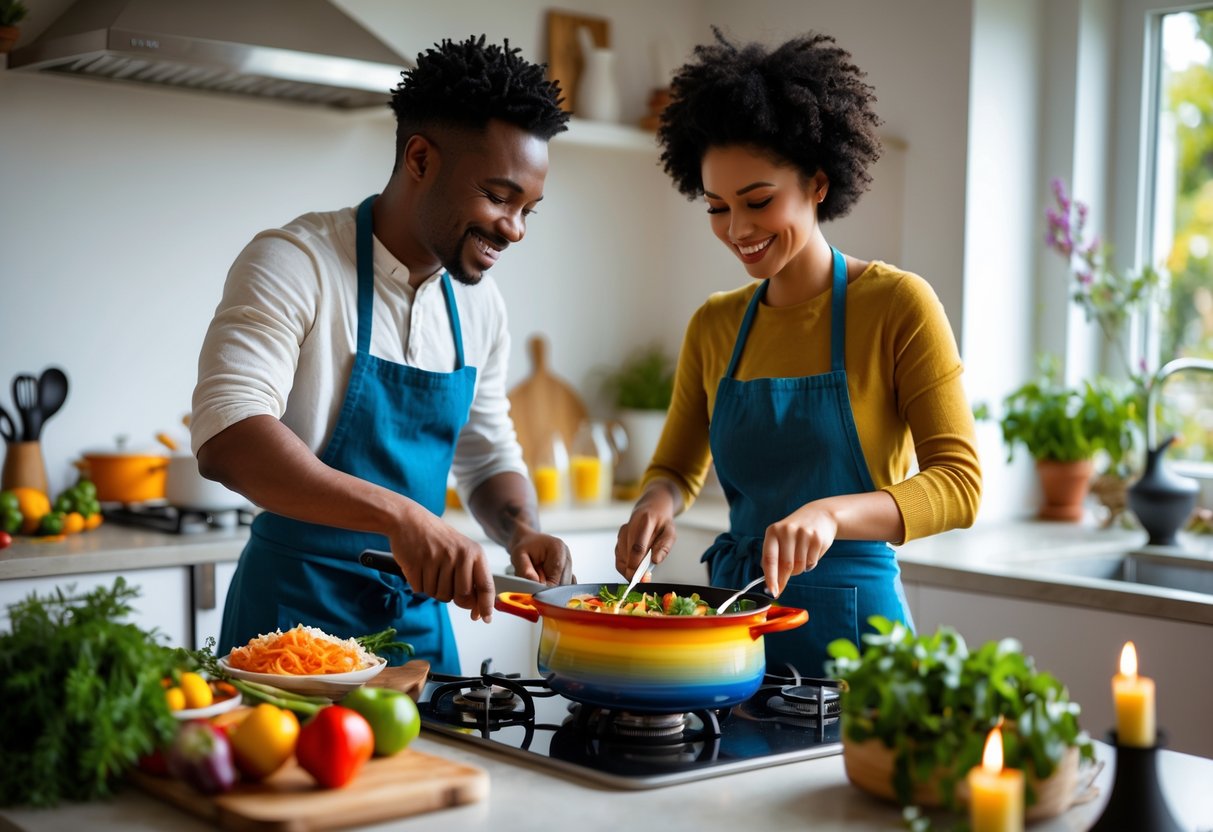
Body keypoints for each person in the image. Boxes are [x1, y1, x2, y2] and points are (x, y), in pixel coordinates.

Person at [192, 35, 574, 674]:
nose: (515, 229)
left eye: (528, 208)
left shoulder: (481, 305)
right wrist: (400, 516)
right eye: (499, 197)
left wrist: (521, 530)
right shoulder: (296, 263)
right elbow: (228, 435)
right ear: (420, 158)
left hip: (417, 626)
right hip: (291, 626)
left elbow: (487, 452)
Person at [615, 29, 982, 676]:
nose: (737, 231)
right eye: (718, 207)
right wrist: (655, 503)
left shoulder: (897, 305)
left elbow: (959, 485)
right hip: (733, 632)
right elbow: (675, 465)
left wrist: (829, 515)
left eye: (758, 202)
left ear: (817, 182)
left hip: (858, 642)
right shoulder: (714, 324)